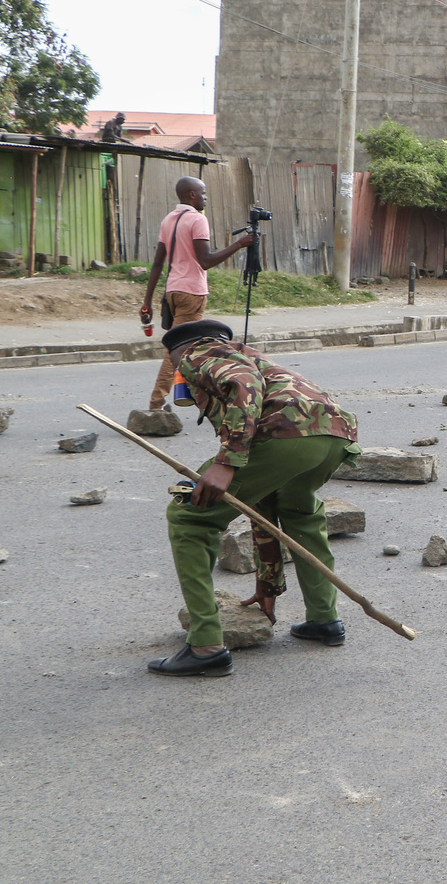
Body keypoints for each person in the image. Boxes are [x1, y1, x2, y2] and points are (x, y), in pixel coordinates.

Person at [148, 319, 362, 677]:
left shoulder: (196, 353)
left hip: (284, 434)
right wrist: (268, 583)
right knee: (298, 513)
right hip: (333, 436)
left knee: (189, 514)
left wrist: (225, 462)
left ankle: (205, 646)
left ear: (176, 356)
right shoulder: (246, 355)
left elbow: (243, 384)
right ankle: (324, 620)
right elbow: (259, 507)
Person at [139, 177, 254, 410]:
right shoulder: (197, 219)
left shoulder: (168, 220)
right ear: (191, 195)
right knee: (178, 350)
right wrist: (240, 245)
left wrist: (146, 303)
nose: (205, 198)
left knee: (195, 347)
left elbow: (157, 265)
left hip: (172, 292)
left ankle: (203, 397)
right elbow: (205, 261)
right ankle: (156, 404)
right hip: (191, 293)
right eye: (203, 193)